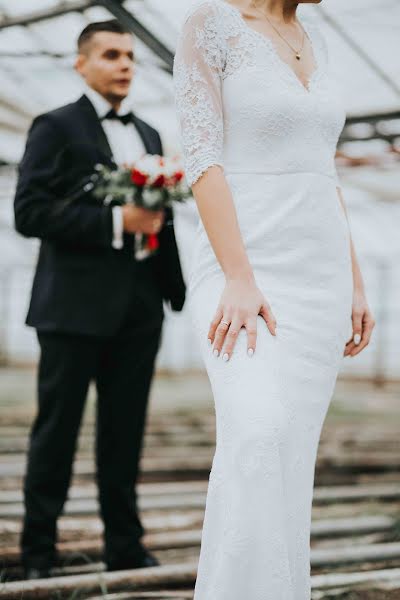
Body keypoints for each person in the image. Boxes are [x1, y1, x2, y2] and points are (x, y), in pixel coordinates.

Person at [173, 0, 375, 597]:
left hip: (322, 278)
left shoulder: (315, 38)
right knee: (256, 432)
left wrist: (356, 281)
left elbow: (325, 174)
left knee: (289, 453)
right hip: (245, 264)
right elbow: (202, 159)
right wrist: (239, 276)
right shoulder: (211, 25)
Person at [14, 19, 185, 579]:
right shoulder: (55, 126)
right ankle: (39, 552)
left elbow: (161, 216)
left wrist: (171, 287)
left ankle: (125, 546)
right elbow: (30, 212)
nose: (125, 65)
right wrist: (117, 220)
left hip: (140, 306)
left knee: (125, 433)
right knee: (56, 433)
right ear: (81, 63)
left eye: (130, 56)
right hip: (72, 307)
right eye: (111, 55)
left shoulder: (153, 135)